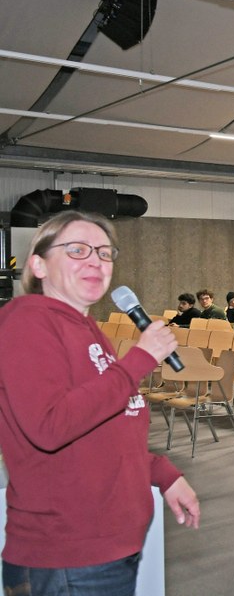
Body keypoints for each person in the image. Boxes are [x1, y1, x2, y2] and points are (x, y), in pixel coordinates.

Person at [0, 211, 200, 594]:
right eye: (77, 250)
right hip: (70, 552)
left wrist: (160, 472)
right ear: (38, 265)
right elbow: (51, 427)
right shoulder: (27, 322)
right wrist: (139, 361)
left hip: (107, 544)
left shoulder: (85, 327)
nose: (95, 260)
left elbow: (103, 432)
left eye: (105, 253)